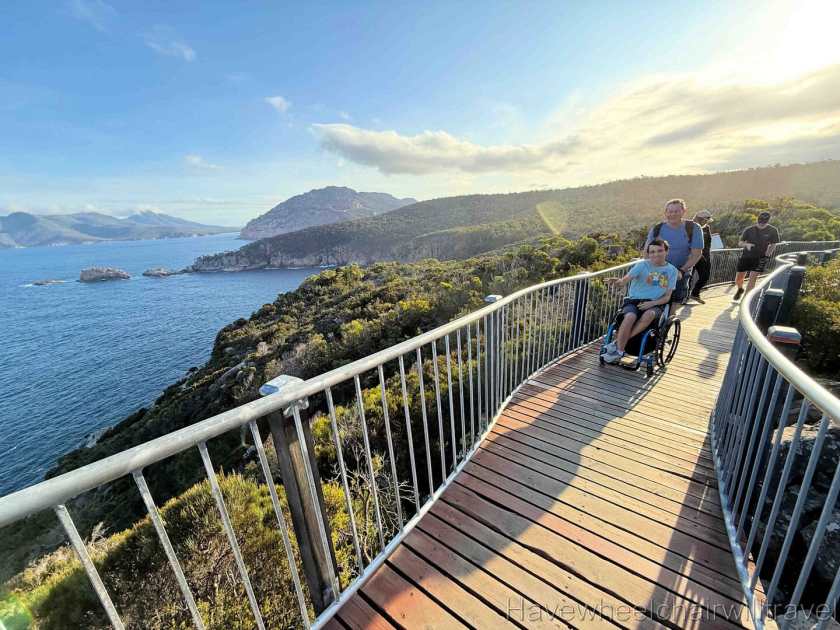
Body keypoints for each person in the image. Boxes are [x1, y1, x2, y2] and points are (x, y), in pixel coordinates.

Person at [602, 239, 677, 364]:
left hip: (656, 303)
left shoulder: (672, 271)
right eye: (652, 252)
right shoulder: (642, 265)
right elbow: (624, 281)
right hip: (634, 301)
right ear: (648, 253)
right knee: (630, 316)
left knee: (650, 314)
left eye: (659, 251)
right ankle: (620, 351)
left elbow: (667, 297)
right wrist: (617, 282)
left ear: (666, 251)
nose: (656, 254)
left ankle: (616, 342)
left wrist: (652, 303)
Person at [644, 199, 704, 303]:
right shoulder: (657, 229)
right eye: (670, 211)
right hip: (659, 272)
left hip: (680, 272)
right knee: (656, 299)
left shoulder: (693, 228)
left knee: (676, 300)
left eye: (676, 211)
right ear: (665, 213)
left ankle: (671, 317)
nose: (673, 214)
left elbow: (697, 254)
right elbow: (646, 252)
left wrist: (682, 270)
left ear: (683, 211)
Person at [733, 211, 781, 301]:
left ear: (768, 221)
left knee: (753, 278)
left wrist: (767, 255)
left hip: (760, 258)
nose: (761, 224)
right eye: (760, 222)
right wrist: (746, 245)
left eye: (764, 222)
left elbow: (773, 244)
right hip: (746, 256)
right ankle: (740, 289)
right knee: (738, 278)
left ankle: (745, 300)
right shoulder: (749, 230)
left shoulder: (773, 230)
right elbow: (740, 242)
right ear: (757, 219)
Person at [690, 209, 714, 304]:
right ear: (700, 219)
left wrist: (707, 255)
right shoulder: (690, 227)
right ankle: (684, 297)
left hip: (705, 256)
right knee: (689, 276)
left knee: (705, 276)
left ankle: (695, 293)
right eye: (705, 220)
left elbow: (708, 243)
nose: (706, 222)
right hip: (692, 256)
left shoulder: (707, 228)